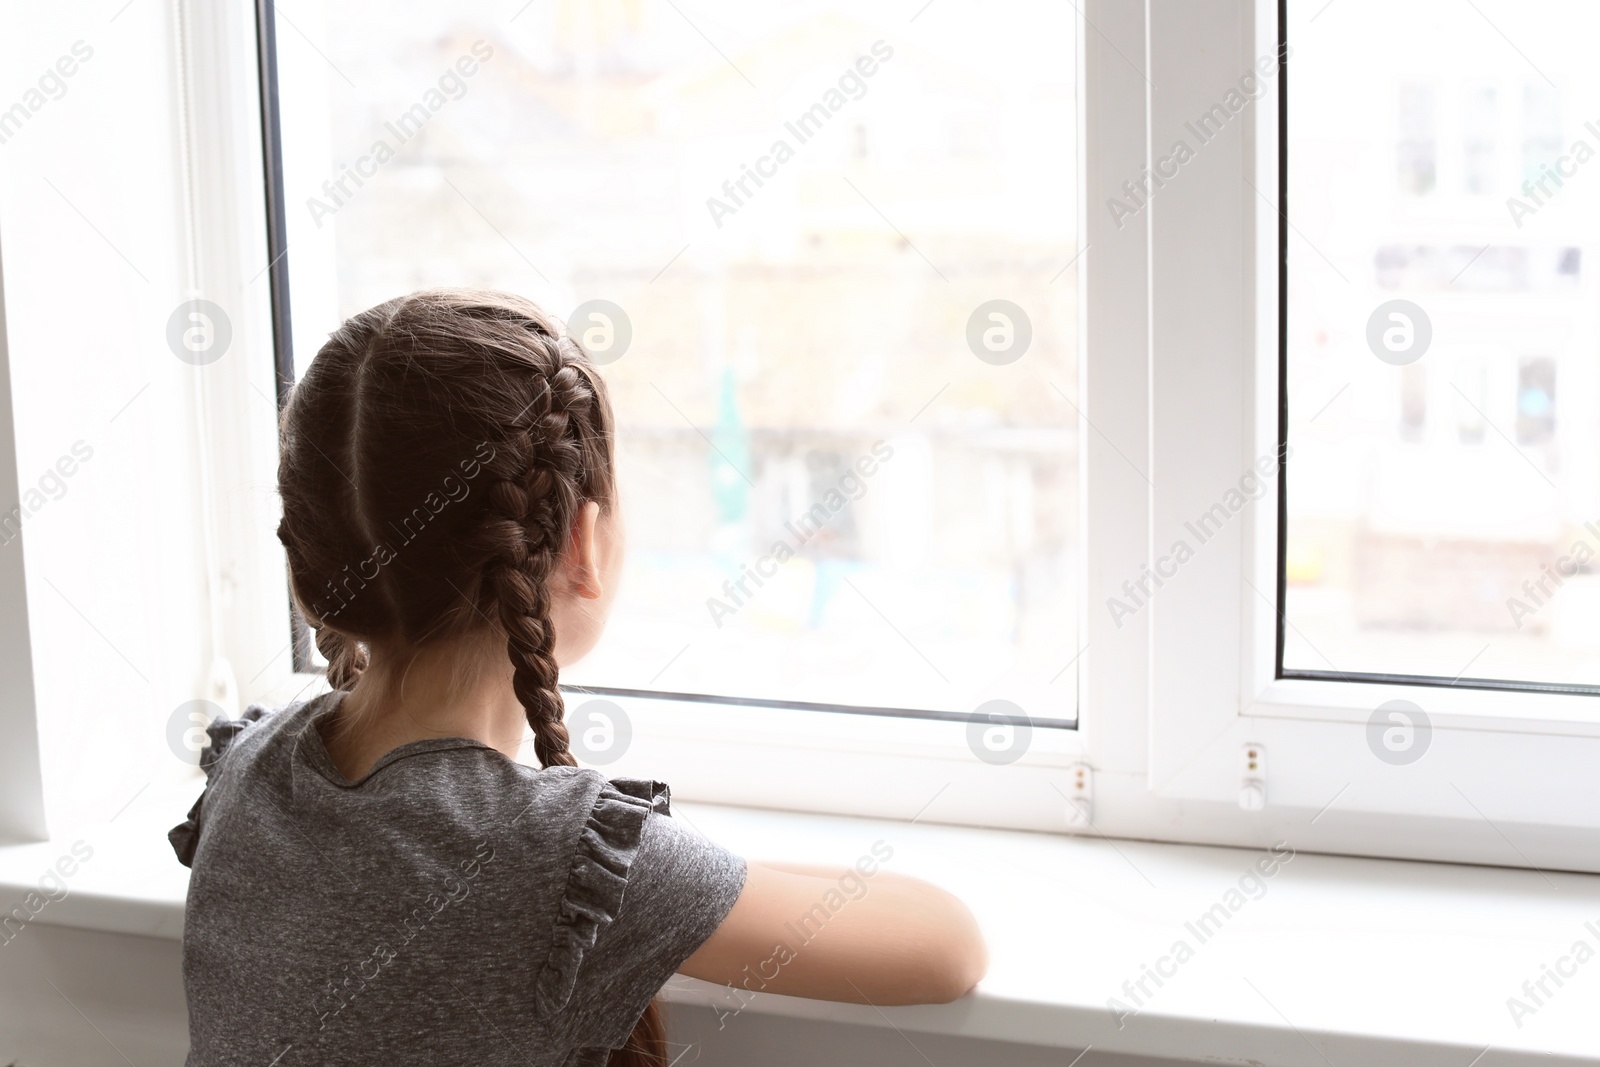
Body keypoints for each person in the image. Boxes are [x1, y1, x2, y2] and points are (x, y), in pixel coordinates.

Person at [169, 289, 987, 1066]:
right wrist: (662, 865)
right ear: (580, 545)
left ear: (312, 563)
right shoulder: (546, 853)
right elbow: (949, 944)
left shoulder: (246, 770)